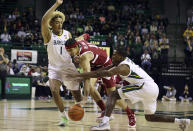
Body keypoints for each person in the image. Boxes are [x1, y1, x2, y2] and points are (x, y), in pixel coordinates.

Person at [67, 47, 190, 130]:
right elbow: (101, 70)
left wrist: (77, 75)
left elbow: (98, 74)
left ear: (120, 56)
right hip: (153, 88)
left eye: (114, 55)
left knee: (113, 95)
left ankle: (104, 123)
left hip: (145, 87)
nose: (112, 56)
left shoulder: (123, 67)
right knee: (150, 117)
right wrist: (82, 73)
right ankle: (181, 121)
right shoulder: (119, 62)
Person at [65, 38, 136, 127]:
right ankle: (104, 110)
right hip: (94, 66)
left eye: (71, 50)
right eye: (68, 51)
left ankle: (130, 113)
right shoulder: (77, 41)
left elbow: (87, 77)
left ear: (76, 46)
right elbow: (85, 35)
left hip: (106, 66)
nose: (70, 53)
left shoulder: (84, 57)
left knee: (113, 96)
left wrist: (85, 98)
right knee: (90, 87)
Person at [41, 0, 82, 126]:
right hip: (54, 69)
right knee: (54, 90)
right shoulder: (48, 35)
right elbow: (43, 20)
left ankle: (79, 112)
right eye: (57, 22)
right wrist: (57, 4)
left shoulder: (67, 34)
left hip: (68, 67)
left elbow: (73, 48)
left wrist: (76, 56)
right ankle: (63, 117)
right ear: (51, 24)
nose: (59, 24)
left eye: (61, 22)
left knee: (78, 97)